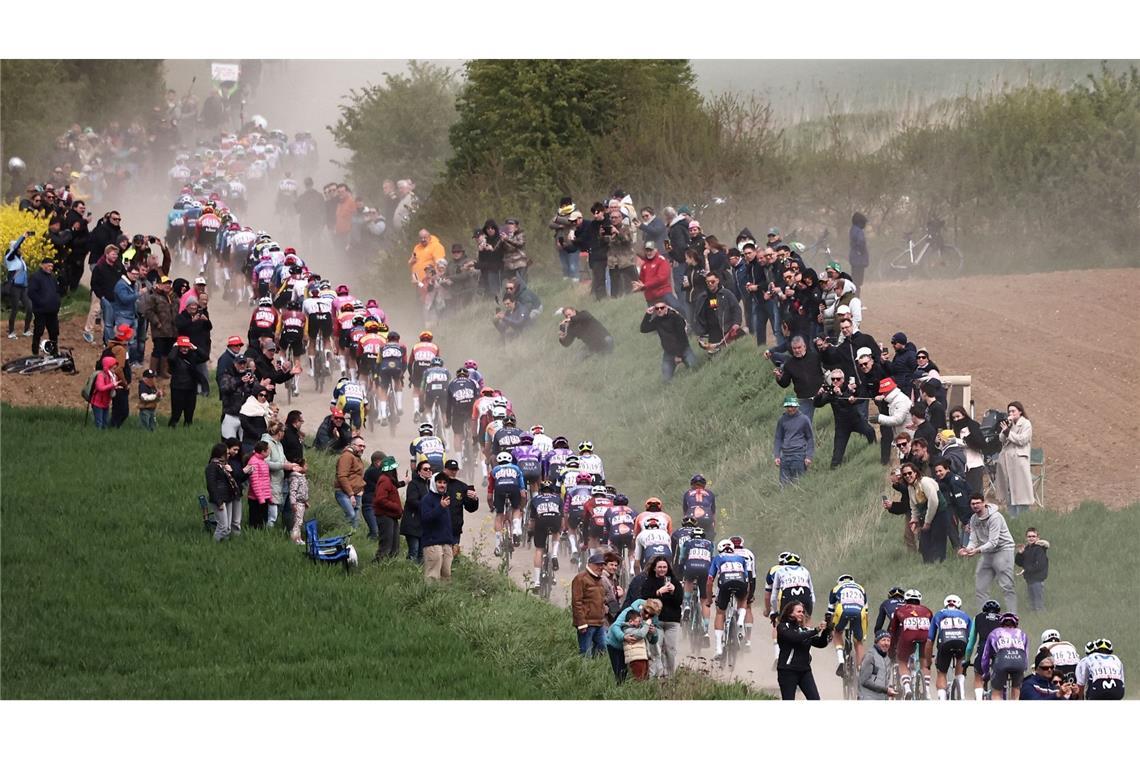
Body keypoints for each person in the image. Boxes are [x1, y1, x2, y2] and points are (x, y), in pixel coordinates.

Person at [958, 494, 1018, 613]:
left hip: (1003, 549)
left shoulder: (995, 517)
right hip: (987, 552)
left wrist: (977, 550)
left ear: (984, 503)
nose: (975, 506)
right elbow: (973, 540)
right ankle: (983, 616)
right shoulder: (974, 519)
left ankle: (1013, 616)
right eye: (973, 504)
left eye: (978, 503)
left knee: (1007, 586)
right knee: (980, 586)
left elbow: (993, 542)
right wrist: (967, 549)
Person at [813, 368, 876, 468]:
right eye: (833, 379)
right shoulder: (830, 392)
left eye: (838, 379)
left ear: (843, 380)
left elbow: (851, 401)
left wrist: (841, 394)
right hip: (842, 426)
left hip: (856, 421)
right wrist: (818, 395)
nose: (835, 381)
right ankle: (834, 471)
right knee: (837, 454)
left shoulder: (850, 388)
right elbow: (817, 404)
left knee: (870, 432)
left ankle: (874, 452)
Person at [776, 601, 831, 700]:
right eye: (799, 611)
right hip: (788, 671)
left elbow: (820, 643)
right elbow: (794, 637)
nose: (802, 614)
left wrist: (826, 631)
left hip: (805, 671)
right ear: (790, 613)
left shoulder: (804, 630)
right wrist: (816, 630)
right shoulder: (783, 627)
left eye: (803, 612)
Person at [639, 556, 683, 678]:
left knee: (671, 650)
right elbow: (644, 598)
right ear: (654, 568)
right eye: (659, 567)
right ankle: (656, 675)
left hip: (672, 621)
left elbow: (679, 601)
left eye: (664, 567)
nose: (662, 569)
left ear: (668, 568)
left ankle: (670, 676)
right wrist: (658, 592)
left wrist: (674, 591)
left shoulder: (675, 582)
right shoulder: (649, 582)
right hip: (656, 621)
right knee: (656, 649)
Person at [887, 588, 933, 699]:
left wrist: (892, 649)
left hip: (907, 637)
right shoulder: (927, 611)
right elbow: (932, 631)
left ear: (905, 600)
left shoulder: (900, 610)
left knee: (902, 661)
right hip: (924, 637)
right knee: (924, 661)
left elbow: (893, 631)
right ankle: (927, 690)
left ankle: (907, 687)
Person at [900, 462, 949, 564]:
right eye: (905, 475)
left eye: (910, 473)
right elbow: (913, 506)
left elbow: (934, 502)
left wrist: (927, 522)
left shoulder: (925, 482)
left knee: (938, 542)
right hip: (926, 516)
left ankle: (940, 566)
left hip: (939, 514)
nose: (908, 476)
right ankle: (928, 567)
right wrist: (914, 519)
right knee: (924, 545)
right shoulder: (910, 488)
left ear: (915, 472)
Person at [640, 300, 698, 382]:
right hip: (669, 353)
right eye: (657, 308)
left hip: (683, 349)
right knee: (666, 380)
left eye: (662, 308)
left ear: (666, 308)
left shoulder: (676, 318)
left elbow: (682, 337)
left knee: (695, 367)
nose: (659, 310)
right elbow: (644, 329)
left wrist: (678, 355)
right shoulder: (657, 321)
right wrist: (648, 314)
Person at [929, 594, 972, 700]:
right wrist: (968, 657)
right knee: (960, 659)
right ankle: (961, 689)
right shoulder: (966, 616)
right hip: (962, 643)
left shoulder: (939, 614)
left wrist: (928, 657)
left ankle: (942, 698)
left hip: (945, 644)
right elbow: (971, 638)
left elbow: (930, 639)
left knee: (942, 673)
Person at [995, 401, 1034, 517]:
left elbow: (1022, 440)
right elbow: (1001, 439)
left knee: (1021, 491)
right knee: (1009, 491)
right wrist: (1006, 428)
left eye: (1013, 411)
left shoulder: (1026, 424)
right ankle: (1012, 517)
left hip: (1018, 460)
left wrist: (1008, 432)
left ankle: (1023, 517)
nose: (1011, 413)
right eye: (1009, 411)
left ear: (1020, 411)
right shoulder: (1009, 425)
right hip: (1007, 460)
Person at [772, 336, 823, 423]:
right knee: (802, 423)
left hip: (821, 393)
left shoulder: (814, 357)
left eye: (799, 347)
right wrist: (779, 377)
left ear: (804, 347)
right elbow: (785, 383)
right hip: (805, 397)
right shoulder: (789, 364)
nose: (797, 350)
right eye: (794, 348)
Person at [827, 573, 868, 678]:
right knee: (859, 642)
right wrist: (864, 634)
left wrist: (829, 626)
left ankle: (841, 660)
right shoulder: (861, 589)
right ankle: (860, 671)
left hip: (843, 610)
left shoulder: (836, 588)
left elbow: (830, 611)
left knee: (837, 632)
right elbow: (866, 612)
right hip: (860, 611)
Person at [980, 612, 1029, 700]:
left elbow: (985, 656)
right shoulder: (1022, 634)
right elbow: (1026, 655)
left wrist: (986, 673)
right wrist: (1024, 668)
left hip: (1002, 661)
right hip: (1019, 662)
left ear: (1001, 623)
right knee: (1016, 689)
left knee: (996, 692)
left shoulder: (994, 633)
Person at [440, 459, 479, 561]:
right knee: (440, 555)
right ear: (445, 469)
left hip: (455, 528)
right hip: (439, 527)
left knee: (453, 556)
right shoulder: (438, 483)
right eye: (451, 469)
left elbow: (470, 508)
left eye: (455, 470)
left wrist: (474, 499)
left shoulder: (462, 486)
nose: (453, 472)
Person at [572, 553, 608, 657]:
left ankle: (597, 671)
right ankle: (583, 671)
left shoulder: (600, 579)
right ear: (590, 564)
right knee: (585, 652)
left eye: (602, 564)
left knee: (603, 648)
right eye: (598, 564)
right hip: (586, 623)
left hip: (600, 623)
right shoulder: (580, 578)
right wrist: (581, 623)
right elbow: (576, 602)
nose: (601, 567)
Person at [420, 472, 455, 582]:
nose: (442, 485)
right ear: (434, 483)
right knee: (433, 575)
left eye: (444, 483)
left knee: (446, 575)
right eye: (439, 482)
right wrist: (440, 507)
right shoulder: (427, 499)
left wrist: (451, 541)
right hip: (432, 541)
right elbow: (425, 518)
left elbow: (447, 522)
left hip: (446, 542)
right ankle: (430, 597)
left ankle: (443, 598)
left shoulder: (445, 498)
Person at [773, 395, 814, 485]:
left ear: (796, 406)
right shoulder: (782, 420)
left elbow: (810, 438)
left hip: (799, 455)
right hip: (785, 456)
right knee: (784, 484)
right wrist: (777, 455)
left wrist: (808, 456)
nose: (790, 409)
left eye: (792, 407)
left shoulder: (804, 419)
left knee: (799, 483)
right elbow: (778, 438)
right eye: (788, 407)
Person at [205, 442, 241, 542]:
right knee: (223, 527)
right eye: (227, 453)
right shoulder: (212, 467)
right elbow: (211, 486)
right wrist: (218, 501)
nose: (229, 455)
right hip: (219, 499)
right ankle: (213, 545)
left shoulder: (224, 466)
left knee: (227, 528)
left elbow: (231, 481)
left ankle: (224, 545)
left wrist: (231, 471)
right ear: (220, 454)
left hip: (228, 498)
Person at [167, 335, 207, 427]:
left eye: (186, 347)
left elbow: (205, 357)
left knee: (189, 413)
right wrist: (175, 346)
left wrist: (195, 348)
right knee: (176, 413)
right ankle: (172, 427)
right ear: (179, 347)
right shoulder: (175, 358)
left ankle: (187, 427)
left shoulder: (192, 356)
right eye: (183, 347)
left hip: (191, 388)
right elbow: (170, 358)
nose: (185, 349)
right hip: (178, 388)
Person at [371, 456, 404, 560]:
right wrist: (396, 507)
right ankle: (378, 565)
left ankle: (389, 566)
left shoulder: (388, 480)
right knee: (386, 546)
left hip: (391, 516)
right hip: (385, 516)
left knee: (394, 547)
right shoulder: (385, 480)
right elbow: (380, 499)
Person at [26, 257, 61, 356]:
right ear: (42, 265)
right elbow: (31, 292)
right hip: (41, 311)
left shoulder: (53, 277)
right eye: (48, 265)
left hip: (53, 311)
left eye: (52, 266)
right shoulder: (36, 277)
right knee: (38, 331)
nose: (50, 268)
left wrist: (57, 302)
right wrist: (41, 302)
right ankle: (35, 351)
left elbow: (57, 291)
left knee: (54, 332)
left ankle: (54, 351)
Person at [5, 230, 34, 339]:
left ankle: (26, 330)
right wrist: (23, 237)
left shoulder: (20, 260)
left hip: (23, 287)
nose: (21, 250)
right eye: (19, 248)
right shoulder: (9, 258)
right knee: (15, 308)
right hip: (15, 287)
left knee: (30, 307)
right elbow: (16, 247)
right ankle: (11, 332)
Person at [401, 460, 431, 563]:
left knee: (422, 554)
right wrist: (427, 506)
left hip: (423, 525)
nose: (428, 471)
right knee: (413, 551)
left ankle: (418, 576)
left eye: (430, 469)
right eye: (425, 469)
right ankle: (408, 574)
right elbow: (412, 501)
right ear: (419, 472)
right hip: (412, 523)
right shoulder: (414, 484)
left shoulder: (430, 484)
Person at [334, 437, 366, 529]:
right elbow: (342, 476)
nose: (362, 448)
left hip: (357, 493)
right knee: (351, 515)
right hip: (344, 493)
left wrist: (361, 490)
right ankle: (339, 533)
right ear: (352, 445)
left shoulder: (357, 457)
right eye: (360, 446)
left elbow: (358, 476)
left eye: (364, 446)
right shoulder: (347, 456)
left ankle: (351, 540)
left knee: (355, 521)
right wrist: (351, 494)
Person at [1015, 527, 1050, 611]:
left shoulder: (1039, 549)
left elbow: (1040, 565)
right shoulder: (1027, 549)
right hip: (1029, 580)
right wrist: (1020, 553)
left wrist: (1026, 570)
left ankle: (1043, 620)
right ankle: (1036, 620)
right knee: (1032, 604)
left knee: (1038, 605)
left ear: (1038, 538)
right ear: (1026, 538)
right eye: (1029, 536)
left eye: (1033, 536)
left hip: (1037, 580)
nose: (1031, 538)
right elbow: (1019, 563)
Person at [858, 630, 897, 700]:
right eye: (883, 640)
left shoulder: (887, 660)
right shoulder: (870, 656)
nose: (886, 643)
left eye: (888, 640)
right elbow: (864, 681)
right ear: (876, 642)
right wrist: (886, 690)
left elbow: (886, 682)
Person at [244, 440, 274, 529]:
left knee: (263, 520)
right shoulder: (254, 462)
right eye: (268, 449)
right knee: (255, 521)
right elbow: (255, 482)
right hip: (256, 498)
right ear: (263, 451)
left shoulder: (262, 461)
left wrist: (268, 496)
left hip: (264, 497)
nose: (269, 451)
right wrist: (261, 498)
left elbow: (266, 481)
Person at [287, 458, 310, 544]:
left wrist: (305, 501)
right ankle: (294, 539)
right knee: (297, 521)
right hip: (297, 503)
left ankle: (298, 538)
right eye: (305, 465)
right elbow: (293, 491)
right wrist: (293, 503)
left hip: (302, 502)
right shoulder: (295, 478)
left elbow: (303, 491)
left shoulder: (302, 477)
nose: (307, 467)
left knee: (300, 521)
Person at [848, 212, 869, 287]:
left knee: (854, 280)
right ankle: (856, 297)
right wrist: (862, 252)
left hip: (854, 258)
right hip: (859, 260)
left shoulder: (852, 229)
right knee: (858, 282)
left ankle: (853, 297)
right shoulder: (859, 231)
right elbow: (861, 242)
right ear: (860, 222)